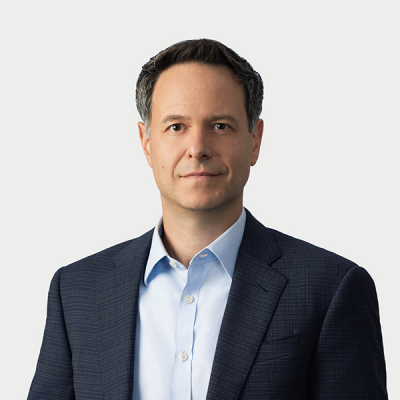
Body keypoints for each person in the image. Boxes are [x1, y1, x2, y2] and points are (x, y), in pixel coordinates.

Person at [28, 39, 388, 400]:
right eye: (176, 126)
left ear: (255, 140)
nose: (198, 148)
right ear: (146, 142)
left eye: (220, 126)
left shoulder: (330, 288)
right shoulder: (76, 291)